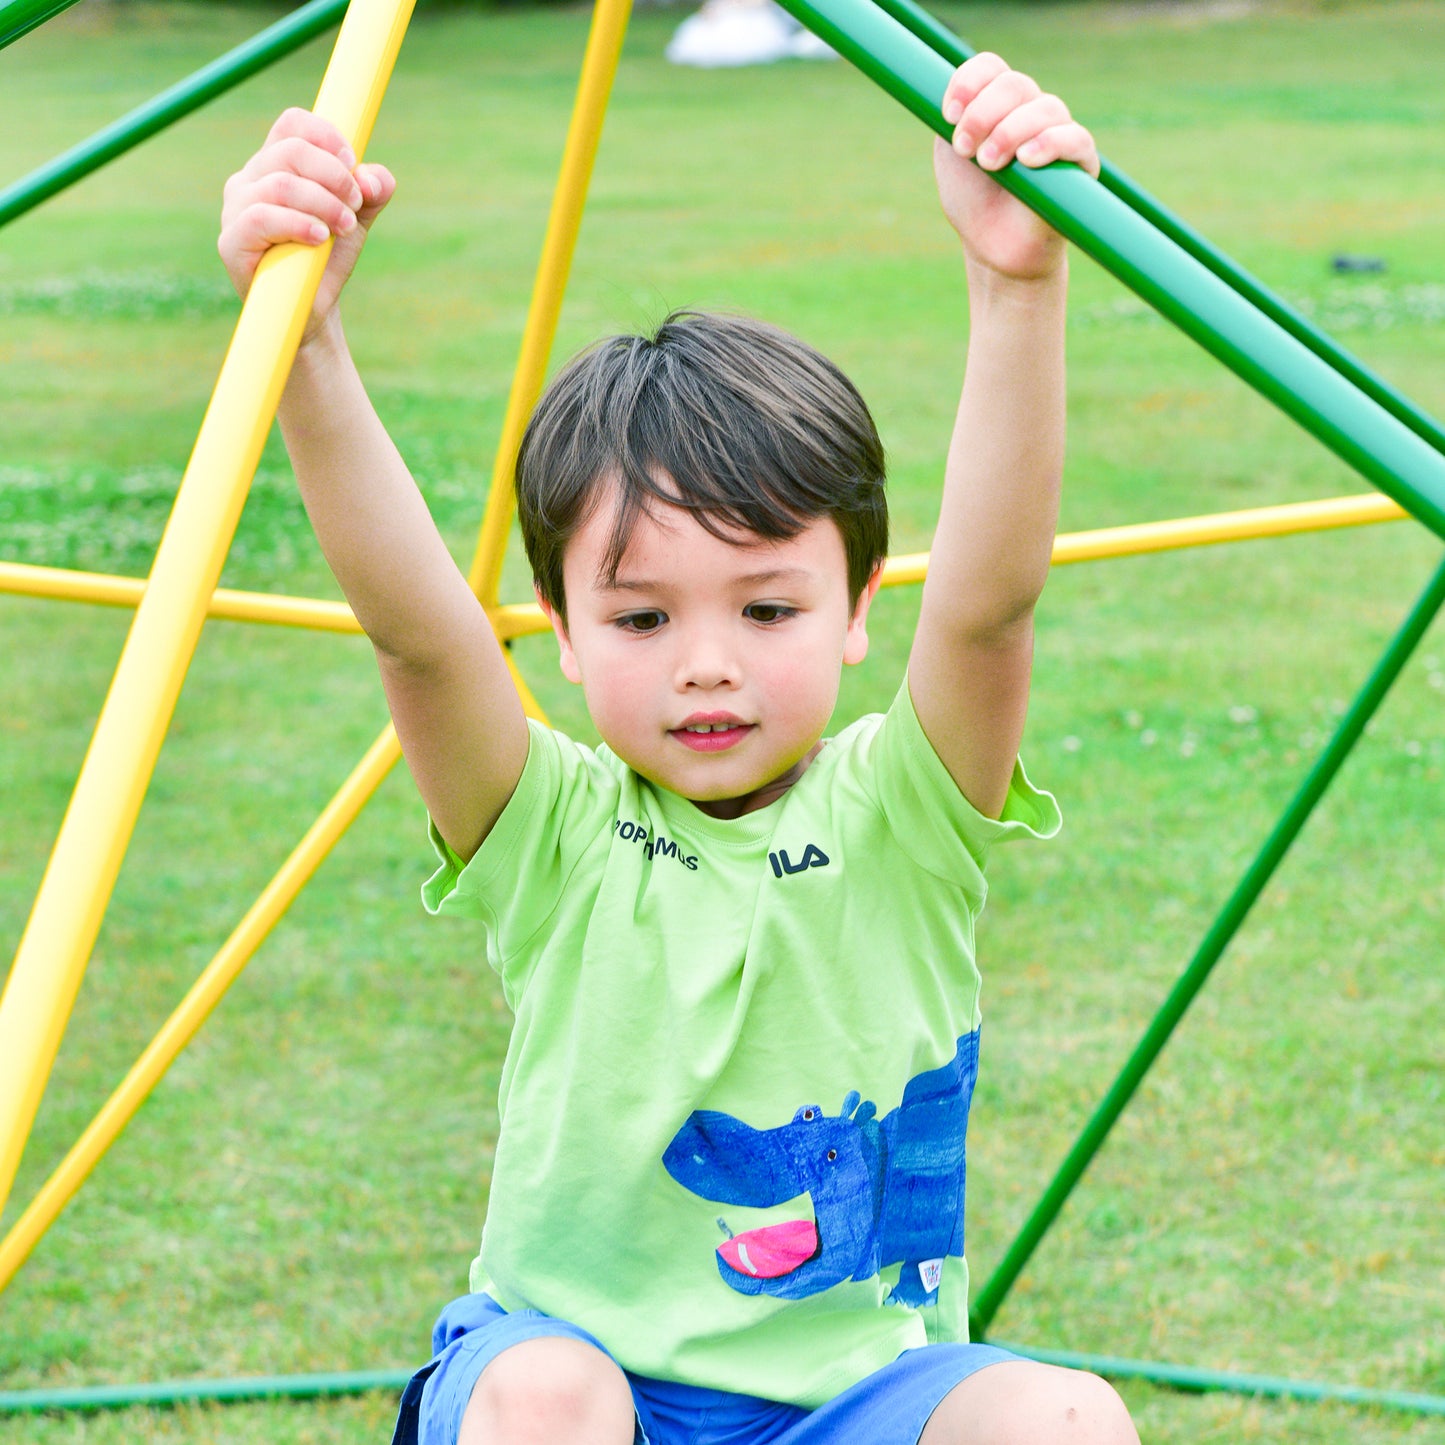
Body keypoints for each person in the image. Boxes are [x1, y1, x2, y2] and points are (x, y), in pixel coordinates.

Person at [219, 51, 1138, 1445]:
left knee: (1059, 1417)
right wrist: (307, 350)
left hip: (851, 1403)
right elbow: (419, 638)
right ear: (564, 634)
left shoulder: (910, 806)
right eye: (642, 614)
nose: (706, 659)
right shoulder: (550, 831)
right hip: (592, 1391)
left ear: (852, 612)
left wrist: (1017, 286)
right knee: (545, 1392)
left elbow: (992, 604)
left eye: (766, 605)